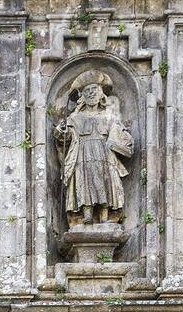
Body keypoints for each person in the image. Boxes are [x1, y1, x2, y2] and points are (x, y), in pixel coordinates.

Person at [54, 75, 133, 225]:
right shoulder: (75, 117)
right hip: (82, 156)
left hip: (105, 155)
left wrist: (124, 140)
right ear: (82, 96)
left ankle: (105, 215)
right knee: (85, 183)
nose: (91, 93)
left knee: (105, 182)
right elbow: (65, 139)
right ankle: (87, 214)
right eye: (87, 90)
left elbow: (122, 137)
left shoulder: (109, 117)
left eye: (94, 90)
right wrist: (62, 132)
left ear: (101, 94)